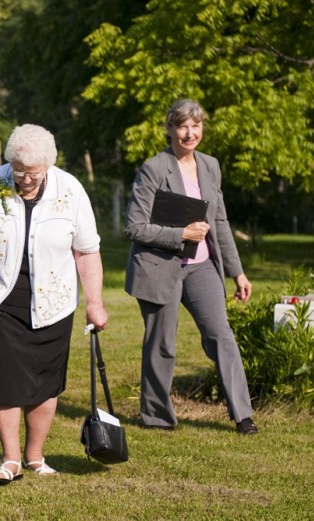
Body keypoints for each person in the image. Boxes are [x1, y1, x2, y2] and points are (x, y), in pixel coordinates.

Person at [0, 124, 109, 485]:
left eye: (33, 172)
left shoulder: (70, 190)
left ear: (48, 165)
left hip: (53, 302)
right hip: (0, 300)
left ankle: (35, 456)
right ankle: (10, 459)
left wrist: (94, 302)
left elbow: (86, 251)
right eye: (18, 169)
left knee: (44, 383)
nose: (24, 178)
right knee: (4, 376)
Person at [124, 98, 258, 435]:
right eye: (182, 125)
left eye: (195, 126)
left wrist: (237, 271)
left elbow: (221, 221)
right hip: (159, 267)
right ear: (169, 129)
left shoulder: (211, 166)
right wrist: (179, 234)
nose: (189, 133)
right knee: (161, 343)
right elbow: (134, 227)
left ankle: (243, 415)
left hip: (202, 268)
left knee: (221, 336)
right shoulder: (154, 169)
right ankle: (156, 417)